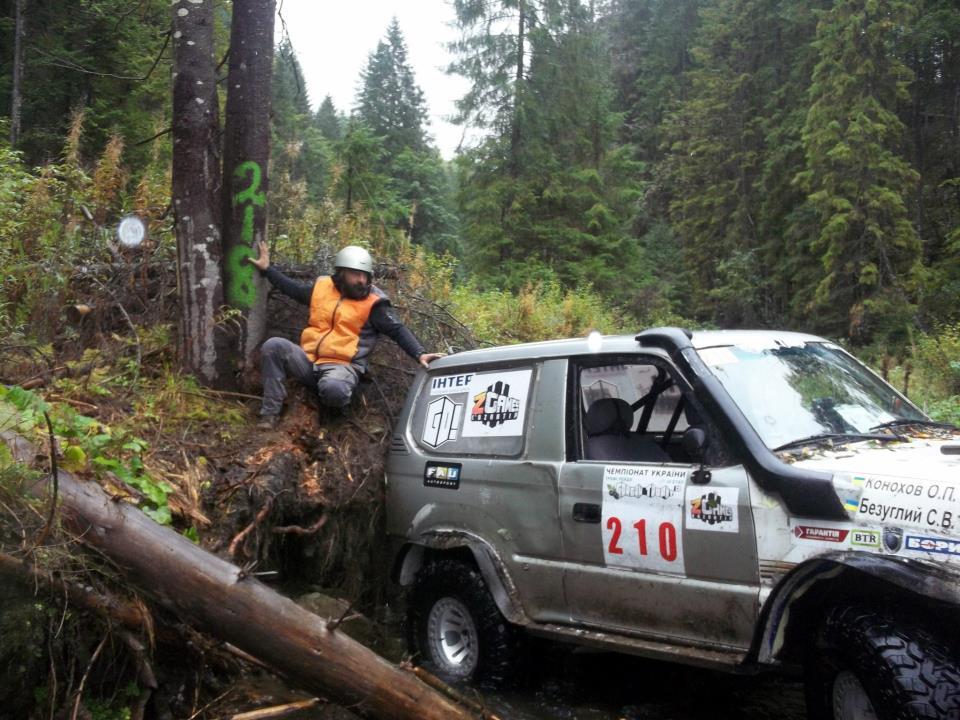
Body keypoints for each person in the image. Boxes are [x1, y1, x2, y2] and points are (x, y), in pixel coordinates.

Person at [248, 240, 442, 429]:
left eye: (365, 275)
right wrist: (267, 270)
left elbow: (397, 329)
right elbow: (294, 289)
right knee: (274, 345)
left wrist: (419, 353)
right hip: (308, 361)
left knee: (334, 389)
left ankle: (333, 417)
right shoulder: (322, 288)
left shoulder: (374, 303)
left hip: (343, 367)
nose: (362, 280)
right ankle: (270, 412)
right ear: (340, 273)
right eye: (356, 274)